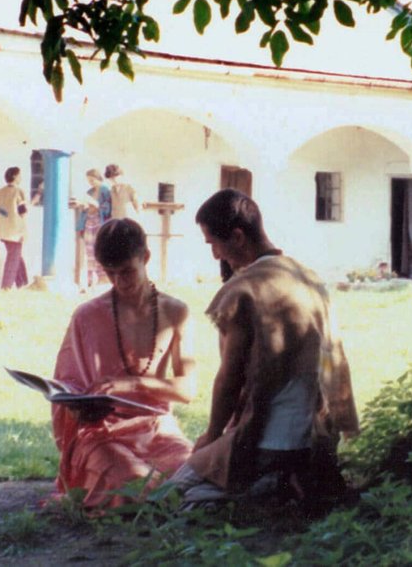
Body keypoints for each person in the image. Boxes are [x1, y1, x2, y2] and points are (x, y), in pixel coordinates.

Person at [168, 189, 359, 513]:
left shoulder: (244, 290)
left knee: (172, 495)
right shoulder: (307, 278)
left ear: (238, 237)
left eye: (214, 243)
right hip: (315, 439)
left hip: (266, 440)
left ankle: (261, 492)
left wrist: (213, 435)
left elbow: (230, 378)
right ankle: (284, 484)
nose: (215, 255)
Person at [50, 218, 196, 509]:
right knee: (129, 479)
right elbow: (67, 386)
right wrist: (78, 405)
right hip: (101, 432)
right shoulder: (87, 315)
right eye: (110, 273)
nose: (119, 282)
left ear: (146, 257)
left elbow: (187, 389)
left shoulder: (176, 311)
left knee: (190, 474)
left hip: (156, 427)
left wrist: (131, 383)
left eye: (127, 271)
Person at [72, 169, 113, 291]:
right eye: (89, 180)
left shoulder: (105, 190)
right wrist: (84, 205)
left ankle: (102, 277)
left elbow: (107, 208)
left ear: (98, 178)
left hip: (99, 221)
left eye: (92, 180)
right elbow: (86, 206)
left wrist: (96, 205)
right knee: (89, 250)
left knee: (100, 248)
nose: (91, 182)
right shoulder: (89, 192)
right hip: (89, 220)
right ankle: (89, 279)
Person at [0, 167, 29, 290]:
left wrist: (3, 220)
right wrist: (24, 231)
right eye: (20, 175)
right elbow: (22, 212)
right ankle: (6, 286)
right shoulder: (18, 191)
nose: (21, 178)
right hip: (15, 230)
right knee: (13, 258)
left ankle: (23, 284)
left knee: (16, 255)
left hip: (3, 229)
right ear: (15, 176)